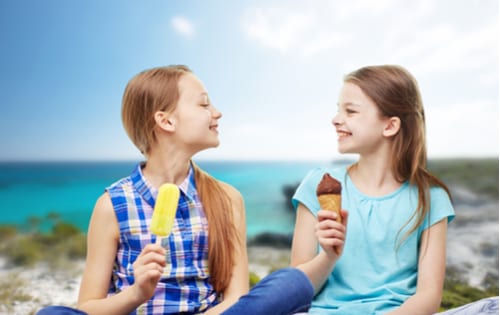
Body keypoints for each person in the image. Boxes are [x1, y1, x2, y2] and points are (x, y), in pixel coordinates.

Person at [36, 65, 313, 315]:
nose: (217, 112)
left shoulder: (228, 199)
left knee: (293, 282)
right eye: (204, 104)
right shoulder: (112, 205)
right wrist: (137, 293)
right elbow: (89, 307)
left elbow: (236, 298)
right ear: (166, 121)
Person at [291, 65, 455, 314]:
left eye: (351, 111)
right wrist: (327, 256)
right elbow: (297, 291)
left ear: (390, 126)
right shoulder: (318, 185)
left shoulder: (430, 198)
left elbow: (429, 296)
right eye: (338, 110)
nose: (336, 119)